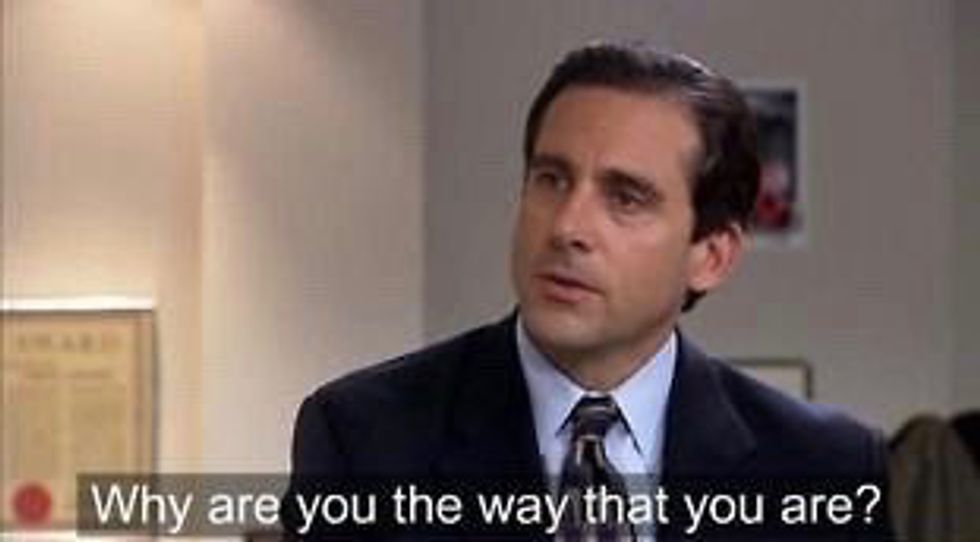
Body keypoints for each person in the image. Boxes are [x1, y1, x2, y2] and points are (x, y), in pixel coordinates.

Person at [284, 41, 890, 540]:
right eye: (551, 179)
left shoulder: (826, 467)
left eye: (626, 198)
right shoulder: (363, 436)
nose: (567, 227)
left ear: (710, 255)